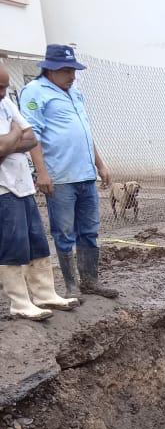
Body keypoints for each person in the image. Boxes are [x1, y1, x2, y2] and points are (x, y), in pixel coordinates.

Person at [20, 44, 117, 299]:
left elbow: (85, 132)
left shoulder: (75, 94)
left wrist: (100, 164)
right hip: (60, 177)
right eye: (66, 70)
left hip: (85, 175)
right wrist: (42, 173)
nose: (72, 75)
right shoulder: (35, 93)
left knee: (90, 231)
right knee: (64, 232)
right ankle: (72, 285)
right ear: (50, 70)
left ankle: (90, 281)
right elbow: (33, 136)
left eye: (73, 70)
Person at [0, 64, 78, 321]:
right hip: (3, 188)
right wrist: (13, 136)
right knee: (13, 243)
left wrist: (9, 141)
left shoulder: (7, 104)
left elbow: (31, 138)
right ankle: (20, 302)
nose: (4, 92)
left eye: (5, 86)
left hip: (22, 183)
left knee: (36, 239)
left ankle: (45, 293)